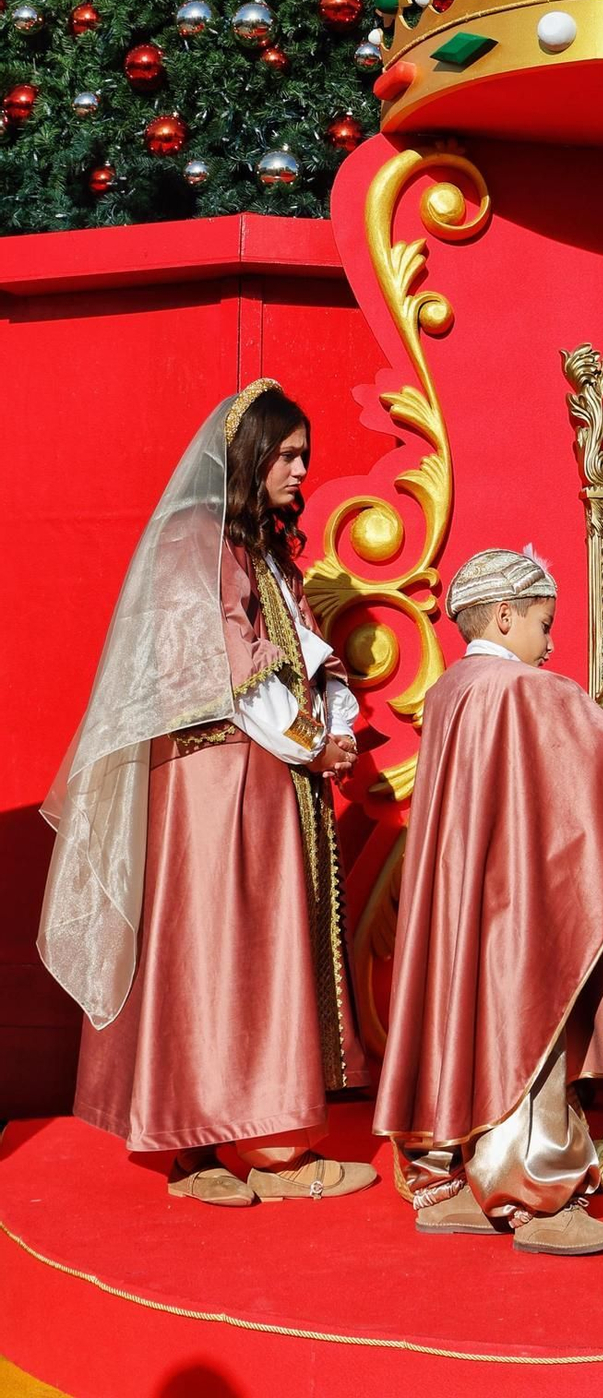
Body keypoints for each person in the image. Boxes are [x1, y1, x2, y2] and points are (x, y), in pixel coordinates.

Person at [39, 380, 376, 1206]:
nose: (301, 469)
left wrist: (330, 728)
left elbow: (303, 652)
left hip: (254, 777)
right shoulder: (198, 538)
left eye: (305, 454)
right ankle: (259, 1149)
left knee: (226, 954)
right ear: (252, 452)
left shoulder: (260, 551)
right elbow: (229, 669)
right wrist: (311, 742)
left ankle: (218, 1147)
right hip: (215, 778)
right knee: (222, 952)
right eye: (289, 453)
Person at [375, 549, 603, 1257]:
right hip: (520, 898)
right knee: (527, 1016)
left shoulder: (453, 687)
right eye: (544, 623)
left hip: (461, 896)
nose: (550, 642)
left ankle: (444, 1181)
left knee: (463, 1019)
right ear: (507, 614)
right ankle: (537, 1195)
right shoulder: (525, 689)